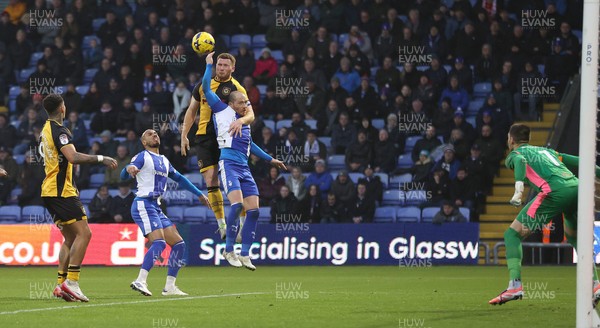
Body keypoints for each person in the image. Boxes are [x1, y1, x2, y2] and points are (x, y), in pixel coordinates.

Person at [489, 124, 600, 305]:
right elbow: (582, 162)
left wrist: (518, 189)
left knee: (512, 234)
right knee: (574, 238)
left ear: (511, 139)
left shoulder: (514, 154)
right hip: (577, 189)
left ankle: (514, 285)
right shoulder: (547, 151)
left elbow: (519, 162)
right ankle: (596, 284)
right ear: (529, 139)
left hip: (554, 193)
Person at [201, 52, 287, 270]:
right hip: (228, 163)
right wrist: (209, 66)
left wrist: (270, 159)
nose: (246, 105)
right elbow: (206, 87)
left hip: (244, 167)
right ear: (232, 103)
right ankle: (229, 249)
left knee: (254, 210)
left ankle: (246, 253)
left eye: (247, 102)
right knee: (237, 205)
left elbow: (250, 146)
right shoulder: (220, 110)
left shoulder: (244, 122)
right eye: (242, 102)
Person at [40, 94, 118, 302]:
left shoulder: (45, 130)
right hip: (61, 191)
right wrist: (101, 158)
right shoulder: (60, 131)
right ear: (62, 108)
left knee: (70, 238)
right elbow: (73, 157)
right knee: (85, 234)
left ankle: (60, 285)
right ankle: (72, 282)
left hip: (49, 191)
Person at [122, 129, 210, 297]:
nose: (154, 134)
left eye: (155, 133)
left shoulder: (164, 160)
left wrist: (199, 193)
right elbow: (125, 172)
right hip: (144, 204)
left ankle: (170, 287)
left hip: (156, 206)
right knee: (160, 243)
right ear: (144, 142)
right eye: (149, 134)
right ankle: (140, 280)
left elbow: (180, 179)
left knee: (179, 245)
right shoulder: (142, 156)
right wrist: (129, 168)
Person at [180, 52, 255, 239]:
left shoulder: (237, 88)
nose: (221, 68)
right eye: (219, 65)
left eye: (225, 65)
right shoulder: (203, 85)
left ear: (232, 68)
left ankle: (242, 223)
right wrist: (184, 135)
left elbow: (251, 115)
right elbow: (191, 111)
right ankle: (222, 225)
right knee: (210, 181)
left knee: (236, 181)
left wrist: (241, 121)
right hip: (204, 137)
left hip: (228, 138)